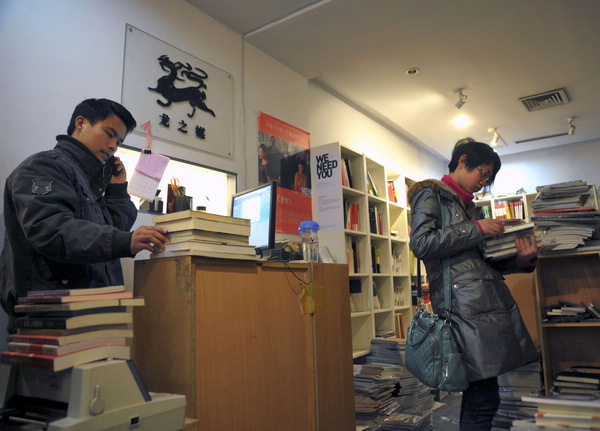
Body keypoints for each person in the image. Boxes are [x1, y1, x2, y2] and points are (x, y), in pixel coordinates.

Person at [0, 98, 170, 333]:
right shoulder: (43, 167)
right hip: (50, 321)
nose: (113, 146)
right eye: (109, 133)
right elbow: (52, 230)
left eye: (118, 141)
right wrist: (125, 241)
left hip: (89, 315)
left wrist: (118, 189)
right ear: (80, 123)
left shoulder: (93, 182)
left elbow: (114, 231)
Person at [407, 138, 541, 430]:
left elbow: (483, 262)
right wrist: (476, 229)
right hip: (464, 311)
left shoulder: (471, 208)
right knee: (484, 399)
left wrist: (521, 259)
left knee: (481, 397)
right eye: (483, 172)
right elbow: (421, 243)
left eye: (489, 178)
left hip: (485, 307)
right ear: (463, 160)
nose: (484, 182)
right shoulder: (431, 194)